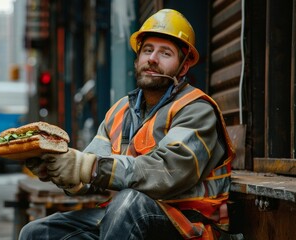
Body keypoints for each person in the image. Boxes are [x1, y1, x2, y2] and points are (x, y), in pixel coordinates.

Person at [19, 8, 236, 240]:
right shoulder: (120, 111)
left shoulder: (196, 110)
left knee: (128, 203)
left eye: (165, 53)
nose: (152, 58)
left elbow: (166, 172)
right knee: (37, 233)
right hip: (124, 219)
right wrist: (63, 171)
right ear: (137, 59)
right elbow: (92, 170)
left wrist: (88, 166)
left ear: (183, 67)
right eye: (148, 50)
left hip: (189, 225)